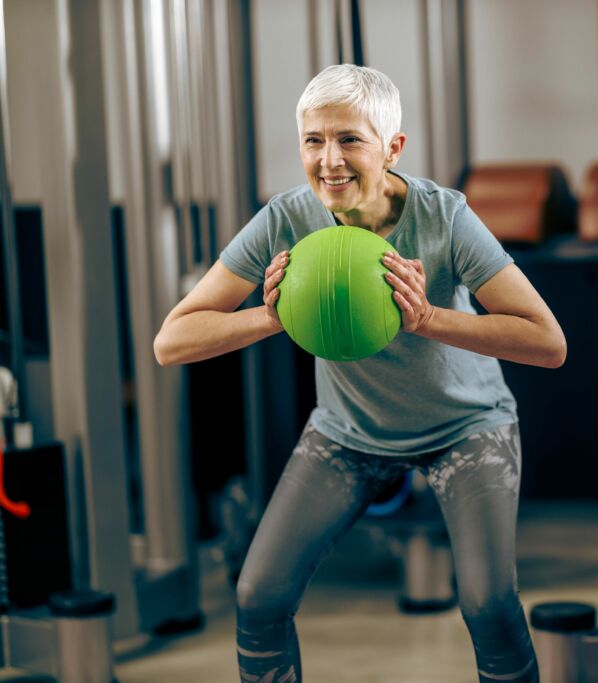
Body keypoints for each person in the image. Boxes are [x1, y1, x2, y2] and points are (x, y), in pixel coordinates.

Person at [153, 64, 565, 683]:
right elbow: (172, 340)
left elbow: (547, 341)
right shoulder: (286, 218)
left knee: (488, 605)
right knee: (258, 597)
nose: (329, 160)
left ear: (392, 147)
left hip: (466, 427)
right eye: (313, 140)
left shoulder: (444, 217)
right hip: (348, 433)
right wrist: (270, 319)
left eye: (350, 139)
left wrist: (429, 320)